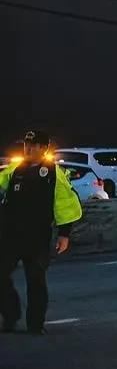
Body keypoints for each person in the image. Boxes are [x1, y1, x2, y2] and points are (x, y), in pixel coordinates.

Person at [0, 130, 83, 334]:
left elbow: (66, 204)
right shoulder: (15, 169)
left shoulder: (54, 173)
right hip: (10, 235)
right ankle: (10, 314)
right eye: (27, 144)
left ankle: (36, 324)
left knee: (36, 281)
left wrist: (64, 234)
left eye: (34, 145)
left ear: (44, 148)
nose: (29, 148)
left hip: (37, 236)